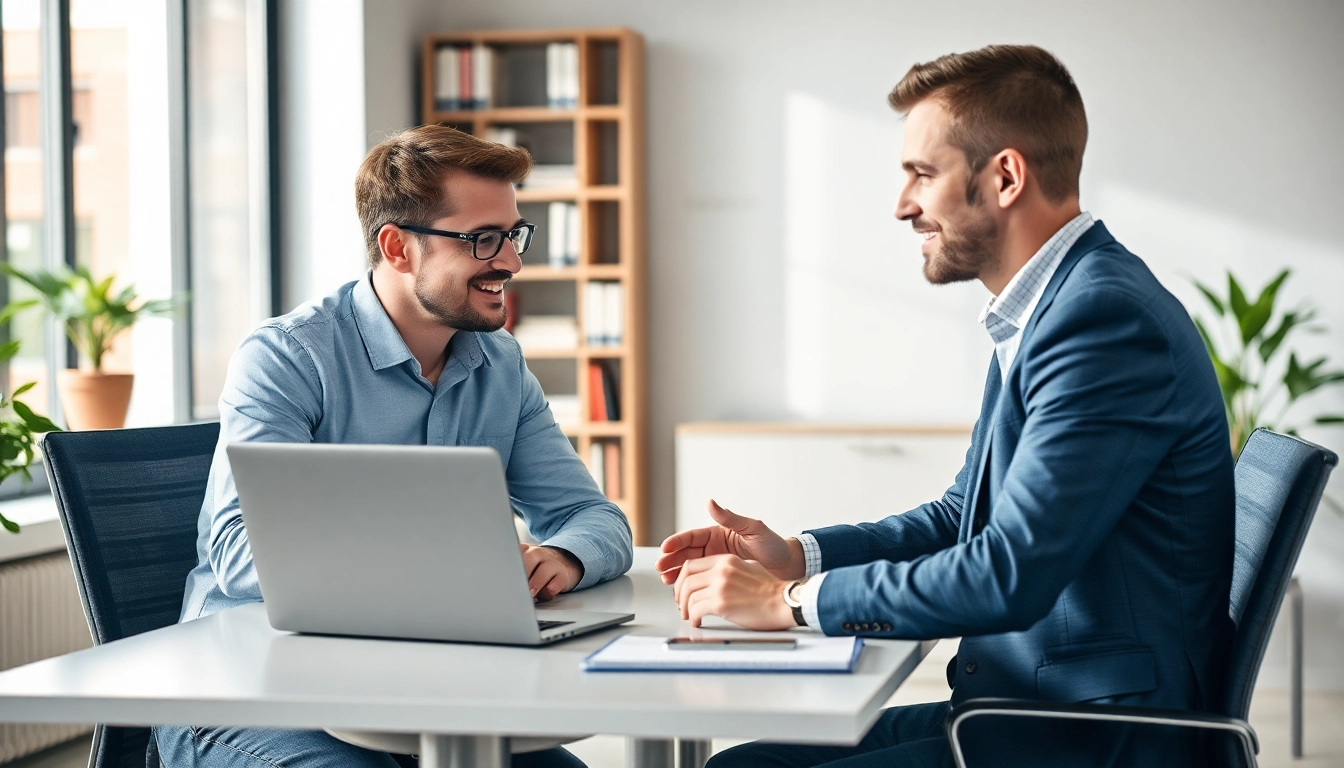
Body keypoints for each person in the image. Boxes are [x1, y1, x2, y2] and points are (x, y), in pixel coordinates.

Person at [658, 45, 1234, 767]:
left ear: (1004, 176)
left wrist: (794, 604)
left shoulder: (1102, 322)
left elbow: (1007, 573)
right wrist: (796, 556)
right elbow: (962, 517)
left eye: (922, 175)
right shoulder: (1051, 309)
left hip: (1093, 736)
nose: (903, 205)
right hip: (1034, 706)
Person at [157, 125, 632, 768]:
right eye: (483, 240)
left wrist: (564, 558)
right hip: (255, 695)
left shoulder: (501, 366)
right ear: (398, 247)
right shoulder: (288, 358)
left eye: (513, 235)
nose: (513, 263)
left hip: (432, 689)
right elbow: (242, 555)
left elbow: (597, 519)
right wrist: (451, 570)